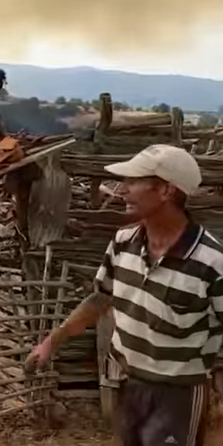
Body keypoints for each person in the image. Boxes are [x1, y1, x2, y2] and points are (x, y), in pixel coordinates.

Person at [25, 144, 223, 446]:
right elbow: (100, 300)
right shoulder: (123, 242)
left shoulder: (212, 262)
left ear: (166, 191)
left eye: (133, 181)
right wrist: (51, 342)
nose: (121, 190)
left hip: (178, 394)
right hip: (127, 385)